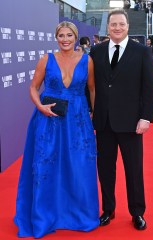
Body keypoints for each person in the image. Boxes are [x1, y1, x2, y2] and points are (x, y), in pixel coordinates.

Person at [14, 21, 99, 238]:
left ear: (76, 37)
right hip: (48, 118)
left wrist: (91, 114)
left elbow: (91, 88)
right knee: (46, 164)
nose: (65, 39)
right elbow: (33, 87)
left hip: (78, 119)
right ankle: (45, 216)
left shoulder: (87, 60)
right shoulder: (46, 59)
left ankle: (78, 214)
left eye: (69, 35)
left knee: (80, 165)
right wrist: (39, 106)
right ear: (56, 37)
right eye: (61, 35)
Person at [90, 8, 153, 230]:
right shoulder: (96, 51)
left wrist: (146, 117)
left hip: (131, 122)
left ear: (128, 26)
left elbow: (150, 88)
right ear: (107, 27)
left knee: (134, 169)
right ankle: (108, 209)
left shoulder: (142, 52)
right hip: (104, 122)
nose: (117, 28)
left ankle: (137, 212)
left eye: (121, 24)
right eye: (113, 24)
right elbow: (89, 86)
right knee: (105, 169)